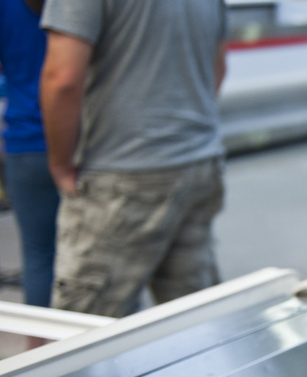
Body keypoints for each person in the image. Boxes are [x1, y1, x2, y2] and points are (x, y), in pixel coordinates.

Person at [39, 0, 227, 317]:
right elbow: (218, 67)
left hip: (121, 173)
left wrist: (60, 163)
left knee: (86, 330)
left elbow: (62, 79)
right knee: (196, 318)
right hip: (199, 162)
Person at [0, 0, 59, 308]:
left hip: (25, 143)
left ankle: (41, 349)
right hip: (82, 144)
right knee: (102, 257)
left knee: (38, 257)